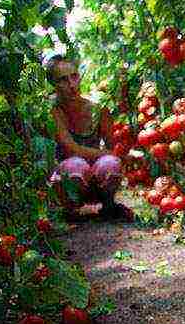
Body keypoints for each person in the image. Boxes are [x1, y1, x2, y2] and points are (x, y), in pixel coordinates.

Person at [46, 54, 132, 220]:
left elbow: (113, 145)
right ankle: (72, 208)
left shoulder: (96, 108)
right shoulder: (53, 110)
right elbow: (71, 149)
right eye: (63, 80)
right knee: (76, 165)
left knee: (111, 164)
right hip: (70, 182)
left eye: (74, 76)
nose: (71, 84)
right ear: (53, 85)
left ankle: (108, 205)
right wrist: (113, 154)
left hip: (95, 182)